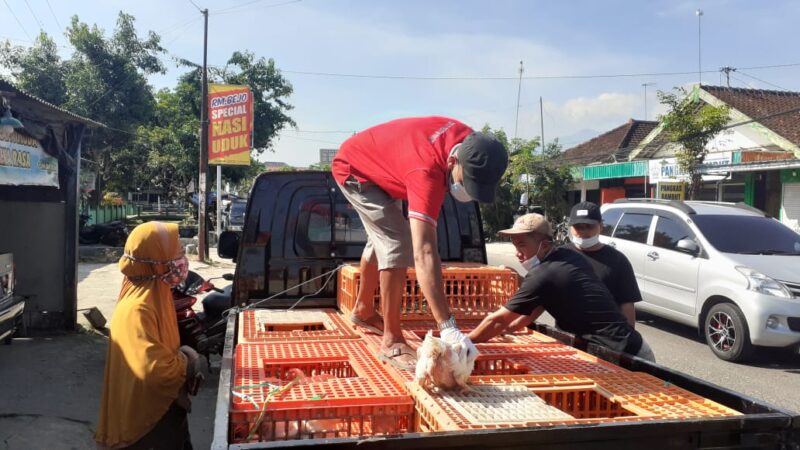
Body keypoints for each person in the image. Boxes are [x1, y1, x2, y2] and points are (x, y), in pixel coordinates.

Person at [332, 116, 508, 370]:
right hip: (355, 169)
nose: (466, 191)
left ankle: (364, 310)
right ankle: (392, 340)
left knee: (383, 235)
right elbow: (424, 252)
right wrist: (447, 327)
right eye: (465, 181)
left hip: (384, 164)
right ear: (452, 161)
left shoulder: (475, 145)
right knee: (396, 240)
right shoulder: (426, 172)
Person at [468, 214, 655, 362]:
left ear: (545, 245)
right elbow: (535, 308)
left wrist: (463, 342)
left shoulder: (544, 273)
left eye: (523, 245)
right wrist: (508, 331)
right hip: (616, 348)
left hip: (627, 355)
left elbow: (497, 320)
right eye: (515, 245)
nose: (517, 253)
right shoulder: (566, 256)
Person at [95, 222, 205, 450]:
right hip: (147, 425)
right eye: (177, 255)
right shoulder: (138, 309)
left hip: (166, 410)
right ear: (156, 264)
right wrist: (187, 360)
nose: (183, 261)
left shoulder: (158, 295)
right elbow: (154, 372)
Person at [565, 201, 641, 327]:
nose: (583, 231)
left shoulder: (618, 260)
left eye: (589, 226)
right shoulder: (560, 255)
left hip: (605, 338)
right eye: (578, 227)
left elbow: (627, 304)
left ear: (601, 226)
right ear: (570, 228)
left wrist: (630, 339)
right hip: (567, 335)